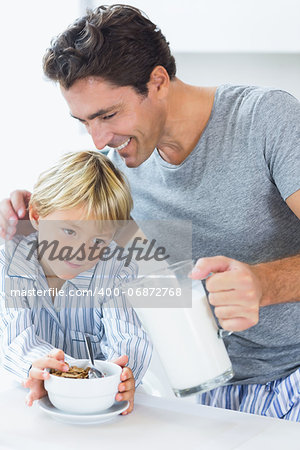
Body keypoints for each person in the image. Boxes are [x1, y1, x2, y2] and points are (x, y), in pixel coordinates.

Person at [1, 5, 299, 420]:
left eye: (108, 114)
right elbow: (76, 247)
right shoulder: (122, 165)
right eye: (85, 121)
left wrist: (266, 283)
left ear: (157, 82)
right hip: (212, 387)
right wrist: (27, 212)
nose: (100, 138)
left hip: (293, 371)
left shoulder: (266, 120)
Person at [0, 150, 152, 414]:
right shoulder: (10, 261)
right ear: (36, 216)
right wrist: (53, 371)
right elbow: (15, 338)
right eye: (69, 231)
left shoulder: (113, 270)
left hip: (99, 407)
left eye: (98, 241)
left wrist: (125, 374)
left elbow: (129, 336)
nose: (80, 251)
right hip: (30, 405)